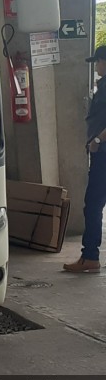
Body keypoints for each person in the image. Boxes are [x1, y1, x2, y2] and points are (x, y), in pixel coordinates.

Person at [63, 45, 106, 272]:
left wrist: (97, 141)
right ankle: (90, 256)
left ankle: (90, 257)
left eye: (98, 62)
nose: (97, 67)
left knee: (93, 205)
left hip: (104, 153)